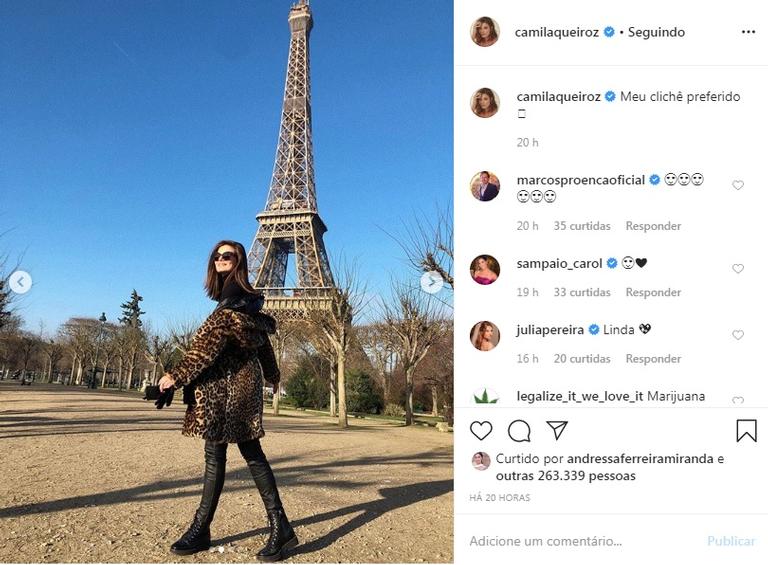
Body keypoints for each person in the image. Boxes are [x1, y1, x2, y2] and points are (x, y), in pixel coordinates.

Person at [157, 240, 298, 561]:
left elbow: (204, 350)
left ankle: (211, 528)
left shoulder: (230, 304)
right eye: (217, 256)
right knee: (241, 454)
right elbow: (262, 344)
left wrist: (174, 377)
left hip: (225, 392)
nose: (221, 260)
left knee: (226, 456)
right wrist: (273, 374)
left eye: (228, 256)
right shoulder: (245, 302)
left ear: (239, 262)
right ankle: (263, 525)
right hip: (239, 388)